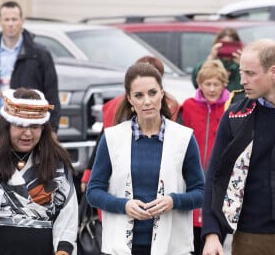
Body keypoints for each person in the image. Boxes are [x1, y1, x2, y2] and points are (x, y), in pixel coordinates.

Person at [86, 62, 204, 255]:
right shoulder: (112, 138)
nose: (147, 101)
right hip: (121, 248)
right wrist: (124, 205)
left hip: (172, 247)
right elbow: (93, 192)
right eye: (139, 96)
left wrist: (173, 201)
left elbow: (200, 192)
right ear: (130, 99)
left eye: (152, 93)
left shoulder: (183, 138)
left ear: (162, 93)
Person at [202, 39, 275, 255]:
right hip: (249, 238)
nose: (242, 80)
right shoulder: (235, 115)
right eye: (242, 73)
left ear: (274, 72)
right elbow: (215, 177)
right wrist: (211, 233)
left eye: (250, 74)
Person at [0, 87, 78, 255]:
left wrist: (63, 249)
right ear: (7, 126)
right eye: (20, 125)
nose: (28, 133)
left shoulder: (57, 164)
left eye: (35, 126)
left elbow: (67, 213)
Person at [80, 55, 180, 193]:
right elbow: (103, 140)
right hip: (118, 181)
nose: (147, 101)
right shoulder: (113, 107)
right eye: (138, 95)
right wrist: (88, 175)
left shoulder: (172, 106)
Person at [180, 59, 230, 255]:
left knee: (216, 238)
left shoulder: (231, 107)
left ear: (223, 84)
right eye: (207, 84)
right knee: (192, 242)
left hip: (219, 184)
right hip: (192, 182)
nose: (211, 89)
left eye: (216, 84)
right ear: (199, 84)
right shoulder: (189, 106)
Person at [0, 1, 61, 133]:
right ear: (0, 22)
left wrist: (52, 129)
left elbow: (51, 93)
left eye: (14, 19)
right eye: (6, 19)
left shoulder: (39, 54)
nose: (10, 24)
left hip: (27, 122)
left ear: (22, 21)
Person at [191, 28, 243, 92]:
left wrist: (243, 65)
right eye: (224, 45)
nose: (227, 49)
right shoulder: (211, 65)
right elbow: (197, 82)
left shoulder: (240, 67)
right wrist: (210, 60)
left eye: (230, 45)